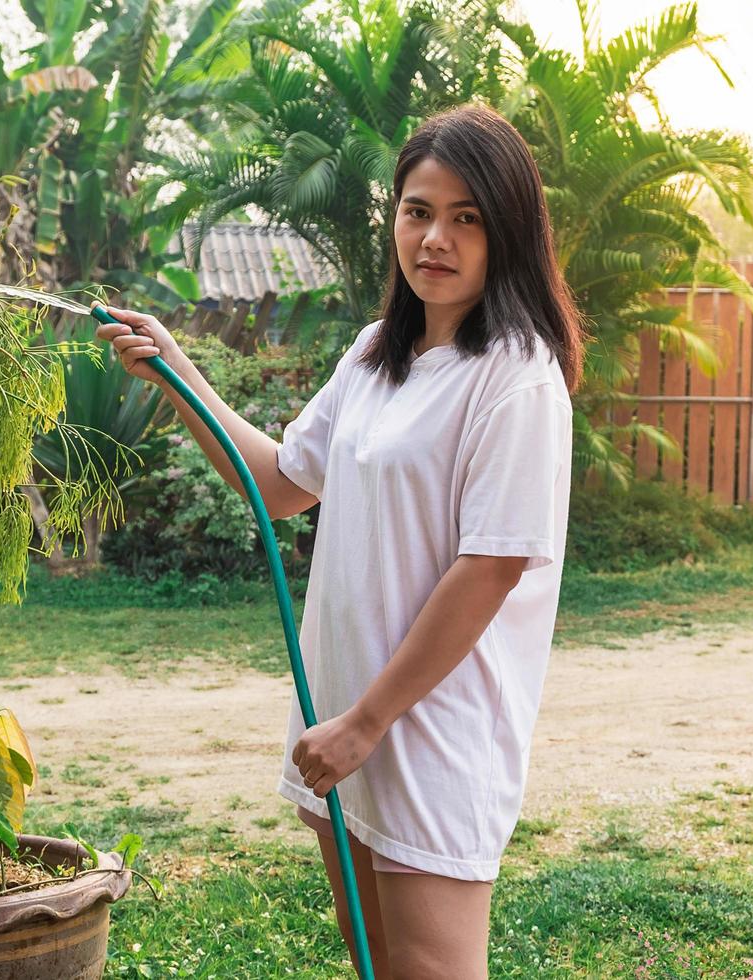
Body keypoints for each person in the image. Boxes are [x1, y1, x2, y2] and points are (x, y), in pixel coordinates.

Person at [94, 103, 583, 980]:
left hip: (427, 730)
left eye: (466, 218)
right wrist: (177, 370)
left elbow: (492, 567)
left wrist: (368, 722)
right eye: (418, 210)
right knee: (374, 964)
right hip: (346, 719)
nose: (435, 237)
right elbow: (282, 482)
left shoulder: (517, 377)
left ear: (508, 230)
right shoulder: (374, 355)